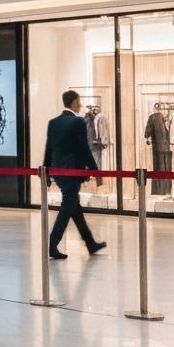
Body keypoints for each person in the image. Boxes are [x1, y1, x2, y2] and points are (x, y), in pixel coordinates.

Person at [43, 89, 107, 260]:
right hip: (71, 172)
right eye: (78, 102)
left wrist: (46, 171)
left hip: (58, 171)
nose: (80, 105)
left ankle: (90, 243)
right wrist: (94, 170)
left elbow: (49, 148)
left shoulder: (53, 122)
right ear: (73, 103)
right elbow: (83, 148)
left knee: (74, 207)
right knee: (68, 206)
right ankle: (52, 243)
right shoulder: (77, 122)